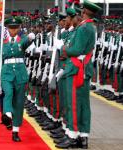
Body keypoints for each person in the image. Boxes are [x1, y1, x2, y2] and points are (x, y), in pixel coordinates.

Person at [55, 0, 101, 148]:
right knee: (81, 104)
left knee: (74, 103)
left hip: (77, 69)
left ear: (84, 12)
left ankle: (73, 136)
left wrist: (63, 49)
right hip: (79, 68)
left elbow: (77, 50)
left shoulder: (84, 28)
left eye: (80, 11)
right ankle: (82, 136)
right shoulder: (87, 27)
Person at [0, 16, 35, 142]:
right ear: (7, 28)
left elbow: (26, 43)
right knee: (8, 93)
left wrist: (30, 38)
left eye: (15, 28)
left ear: (18, 28)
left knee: (18, 103)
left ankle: (15, 130)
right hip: (6, 72)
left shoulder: (22, 39)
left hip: (20, 73)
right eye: (10, 28)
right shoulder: (2, 42)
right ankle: (6, 115)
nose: (13, 30)